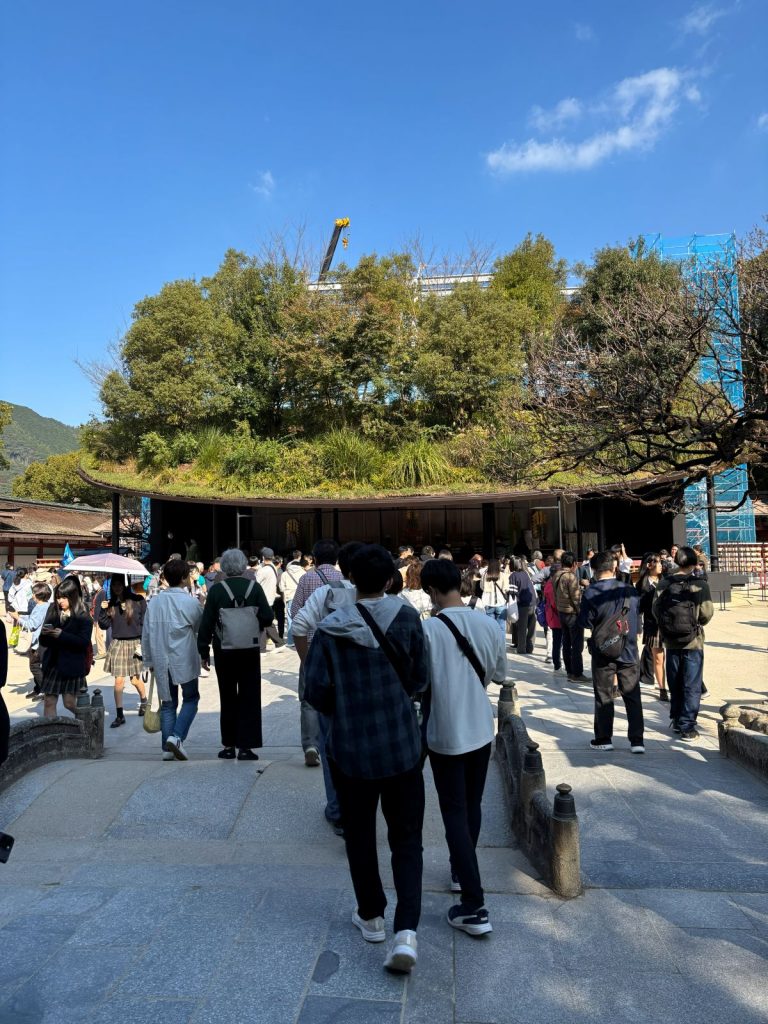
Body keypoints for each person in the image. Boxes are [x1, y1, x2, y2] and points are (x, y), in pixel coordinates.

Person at [304, 544, 428, 974]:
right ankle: (406, 931)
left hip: (351, 749)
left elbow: (314, 692)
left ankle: (371, 915)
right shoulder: (407, 618)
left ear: (351, 579)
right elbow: (420, 678)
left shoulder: (330, 629)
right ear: (391, 580)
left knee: (359, 834)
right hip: (401, 747)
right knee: (407, 839)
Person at [420, 558, 506, 937]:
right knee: (472, 805)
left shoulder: (428, 630)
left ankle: (474, 903)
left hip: (445, 729)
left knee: (453, 811)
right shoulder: (488, 624)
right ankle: (461, 868)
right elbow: (499, 675)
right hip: (480, 727)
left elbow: (419, 681)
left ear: (431, 591)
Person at [292, 542, 363, 835]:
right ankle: (362, 808)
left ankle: (337, 808)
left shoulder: (318, 587)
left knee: (329, 739)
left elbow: (297, 621)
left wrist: (309, 663)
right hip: (364, 681)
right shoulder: (380, 597)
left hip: (326, 667)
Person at [198, 547, 274, 760]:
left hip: (224, 650)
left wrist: (203, 651)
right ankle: (246, 747)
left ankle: (229, 745)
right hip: (249, 649)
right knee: (250, 696)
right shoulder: (254, 588)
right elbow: (268, 617)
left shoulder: (216, 590)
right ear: (243, 566)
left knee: (228, 695)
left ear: (224, 567)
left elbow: (206, 623)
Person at [578, 551, 645, 753]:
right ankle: (637, 741)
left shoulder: (591, 592)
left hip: (603, 650)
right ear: (614, 567)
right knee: (632, 695)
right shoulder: (630, 590)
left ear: (593, 569)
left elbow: (585, 621)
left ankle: (604, 738)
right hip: (629, 648)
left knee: (604, 694)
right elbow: (637, 616)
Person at [142, 559, 203, 762]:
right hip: (183, 656)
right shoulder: (190, 602)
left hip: (161, 657)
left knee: (168, 703)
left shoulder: (155, 602)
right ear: (185, 578)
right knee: (191, 698)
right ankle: (176, 737)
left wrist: (148, 660)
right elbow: (199, 627)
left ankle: (166, 749)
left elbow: (146, 634)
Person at [290, 539, 343, 768]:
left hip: (310, 644)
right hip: (338, 644)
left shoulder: (306, 578)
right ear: (336, 558)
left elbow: (295, 611)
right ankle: (335, 740)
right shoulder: (343, 579)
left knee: (309, 698)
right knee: (339, 694)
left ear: (315, 558)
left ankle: (311, 745)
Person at [653, 546, 714, 742]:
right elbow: (707, 613)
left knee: (675, 681)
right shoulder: (700, 585)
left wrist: (668, 626)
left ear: (676, 561)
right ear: (694, 563)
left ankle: (677, 719)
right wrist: (695, 623)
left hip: (670, 641)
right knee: (692, 683)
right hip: (693, 641)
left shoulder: (664, 583)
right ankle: (688, 725)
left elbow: (655, 610)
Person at [38, 576, 92, 719]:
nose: (59, 601)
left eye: (63, 597)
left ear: (72, 597)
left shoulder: (83, 615)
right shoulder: (53, 609)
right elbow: (43, 640)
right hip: (53, 663)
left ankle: (90, 721)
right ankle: (52, 730)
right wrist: (45, 634)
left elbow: (84, 642)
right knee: (49, 701)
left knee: (69, 703)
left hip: (72, 664)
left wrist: (62, 635)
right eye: (58, 597)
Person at [99, 574, 147, 728]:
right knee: (119, 680)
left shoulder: (138, 600)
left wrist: (144, 643)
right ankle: (120, 715)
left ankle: (144, 701)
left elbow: (145, 622)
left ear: (125, 585)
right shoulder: (111, 603)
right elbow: (104, 625)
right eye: (114, 585)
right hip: (118, 643)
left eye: (120, 584)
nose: (117, 587)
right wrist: (103, 610)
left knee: (134, 680)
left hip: (135, 643)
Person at [635, 552, 668, 702]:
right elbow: (639, 609)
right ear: (649, 565)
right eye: (657, 562)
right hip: (653, 626)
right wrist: (638, 627)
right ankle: (662, 688)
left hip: (669, 625)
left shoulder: (666, 581)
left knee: (672, 657)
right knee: (658, 658)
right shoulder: (642, 585)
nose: (660, 565)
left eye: (661, 562)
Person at [551, 552, 588, 682]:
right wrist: (581, 613)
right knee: (577, 645)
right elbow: (576, 598)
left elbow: (555, 595)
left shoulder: (556, 575)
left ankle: (569, 671)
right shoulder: (571, 577)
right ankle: (577, 673)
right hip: (572, 614)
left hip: (561, 612)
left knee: (566, 643)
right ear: (573, 564)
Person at [17, 582, 52, 700]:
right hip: (43, 640)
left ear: (38, 595)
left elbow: (31, 625)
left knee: (34, 666)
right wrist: (22, 616)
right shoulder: (47, 605)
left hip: (37, 642)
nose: (32, 595)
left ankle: (44, 690)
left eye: (33, 593)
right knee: (37, 666)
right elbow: (34, 619)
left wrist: (17, 618)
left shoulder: (40, 607)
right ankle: (38, 689)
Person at [254, 548, 286, 651]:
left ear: (263, 557)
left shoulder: (262, 570)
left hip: (263, 599)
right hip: (270, 598)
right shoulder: (273, 568)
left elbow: (255, 584)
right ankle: (265, 647)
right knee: (265, 623)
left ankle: (274, 644)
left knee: (265, 623)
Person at [507, 557, 536, 655]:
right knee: (531, 627)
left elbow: (512, 593)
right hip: (532, 602)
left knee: (522, 628)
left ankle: (521, 649)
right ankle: (530, 647)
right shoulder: (525, 573)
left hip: (522, 604)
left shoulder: (513, 576)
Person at [279, 550, 305, 644]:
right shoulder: (303, 572)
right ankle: (301, 640)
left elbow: (281, 588)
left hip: (289, 597)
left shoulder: (285, 573)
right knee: (301, 619)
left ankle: (290, 641)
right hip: (300, 597)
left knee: (290, 619)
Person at [480, 559, 508, 636]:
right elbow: (506, 589)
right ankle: (501, 643)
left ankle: (492, 643)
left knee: (490, 628)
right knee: (501, 628)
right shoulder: (503, 575)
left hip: (488, 603)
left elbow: (482, 587)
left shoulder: (485, 575)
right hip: (501, 602)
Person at [542, 573, 563, 673]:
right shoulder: (552, 585)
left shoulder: (549, 584)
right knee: (557, 641)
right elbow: (554, 603)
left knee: (556, 640)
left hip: (552, 616)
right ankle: (557, 665)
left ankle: (556, 662)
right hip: (555, 617)